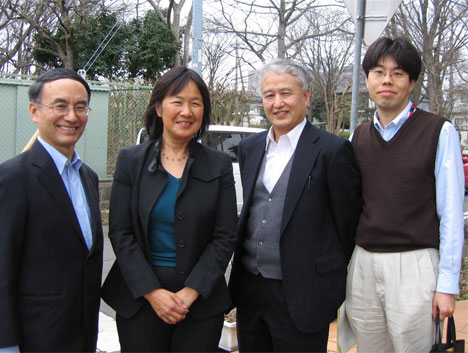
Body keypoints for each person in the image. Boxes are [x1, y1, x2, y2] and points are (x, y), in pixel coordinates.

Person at [227, 59, 362, 352]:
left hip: (304, 293)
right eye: (269, 95)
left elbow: (347, 225)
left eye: (286, 93)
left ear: (306, 95)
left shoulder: (332, 151)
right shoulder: (251, 148)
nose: (277, 103)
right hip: (251, 290)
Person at [101, 67, 237, 352]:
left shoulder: (218, 165)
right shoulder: (131, 161)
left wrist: (191, 292)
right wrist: (152, 293)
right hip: (140, 299)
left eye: (195, 103)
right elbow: (121, 233)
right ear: (159, 107)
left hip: (200, 303)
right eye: (177, 101)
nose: (186, 111)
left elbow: (224, 236)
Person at [343, 37, 465, 352]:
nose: (387, 80)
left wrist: (447, 286)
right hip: (364, 264)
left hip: (415, 266)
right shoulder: (359, 136)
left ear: (411, 82)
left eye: (398, 73)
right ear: (367, 79)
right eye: (378, 71)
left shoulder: (438, 131)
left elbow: (451, 212)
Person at [0, 68, 104, 352]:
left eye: (80, 107)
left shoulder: (88, 177)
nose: (71, 116)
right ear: (35, 111)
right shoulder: (10, 178)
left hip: (81, 337)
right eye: (60, 106)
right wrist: (3, 347)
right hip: (34, 339)